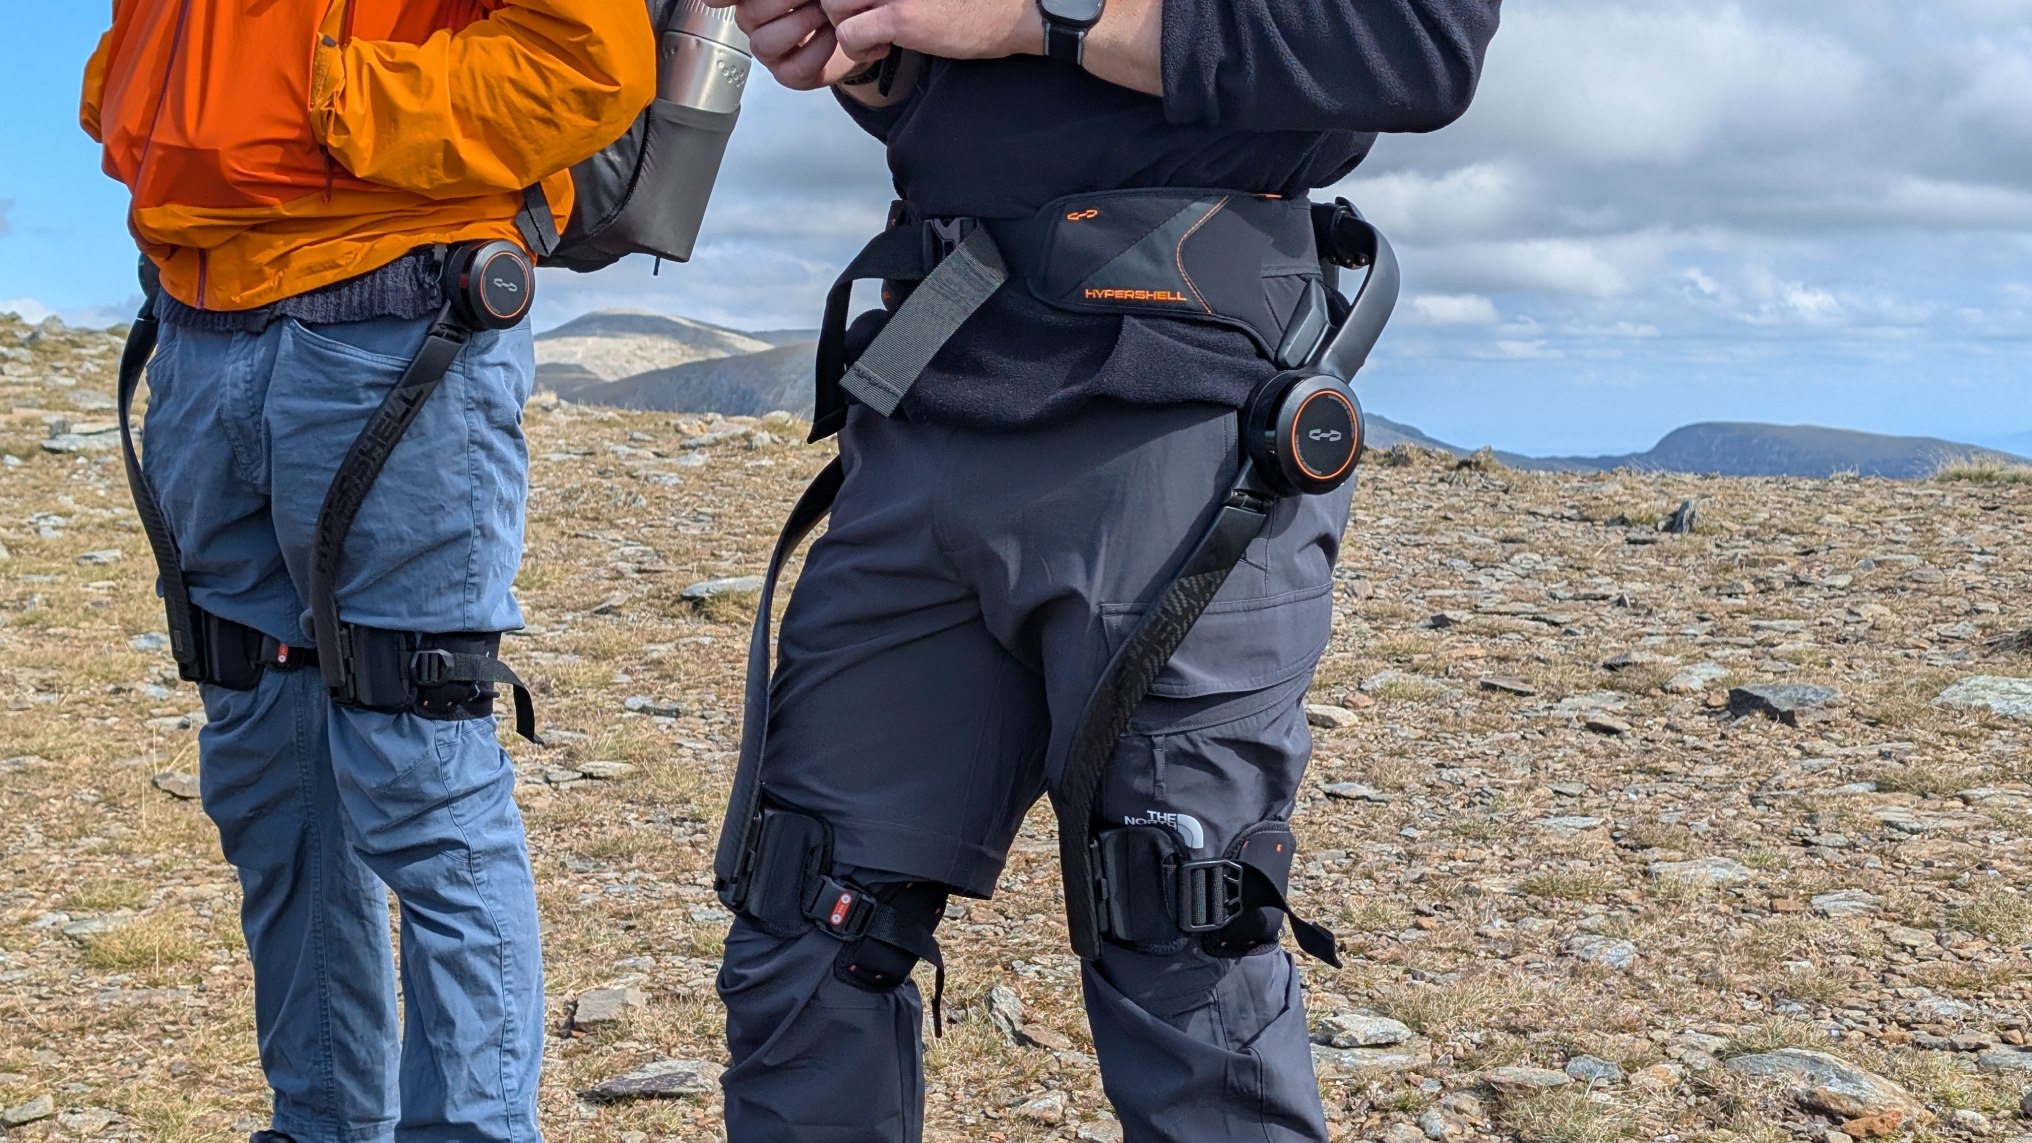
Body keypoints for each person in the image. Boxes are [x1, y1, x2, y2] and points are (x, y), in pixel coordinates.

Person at [706, 0, 1501, 1140]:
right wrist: (873, 61)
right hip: (935, 377)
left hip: (1183, 412)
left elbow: (1406, 45)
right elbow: (986, 95)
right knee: (805, 918)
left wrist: (1042, 16)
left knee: (1182, 938)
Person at [81, 5, 655, 1142]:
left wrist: (308, 106)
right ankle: (320, 1124)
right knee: (266, 772)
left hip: (400, 312)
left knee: (419, 768)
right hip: (200, 322)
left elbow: (584, 62)